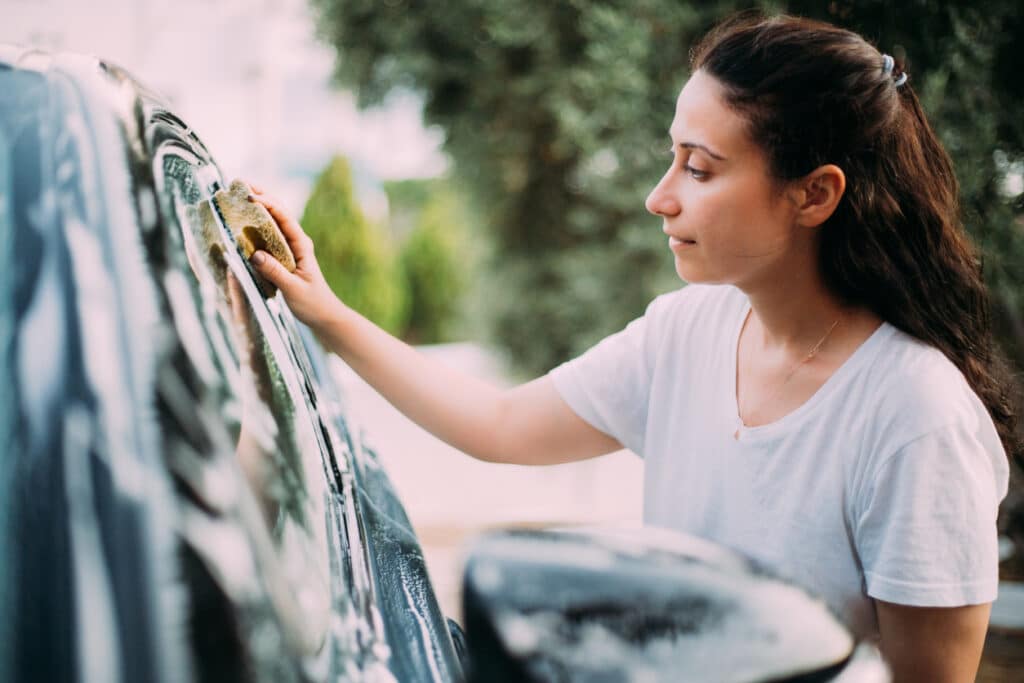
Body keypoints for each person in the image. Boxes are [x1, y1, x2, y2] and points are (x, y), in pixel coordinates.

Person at [245, 12, 1016, 681]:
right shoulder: (687, 332)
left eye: (700, 168)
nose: (661, 195)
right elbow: (501, 425)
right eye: (672, 155)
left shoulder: (916, 417)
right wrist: (329, 314)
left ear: (814, 193)